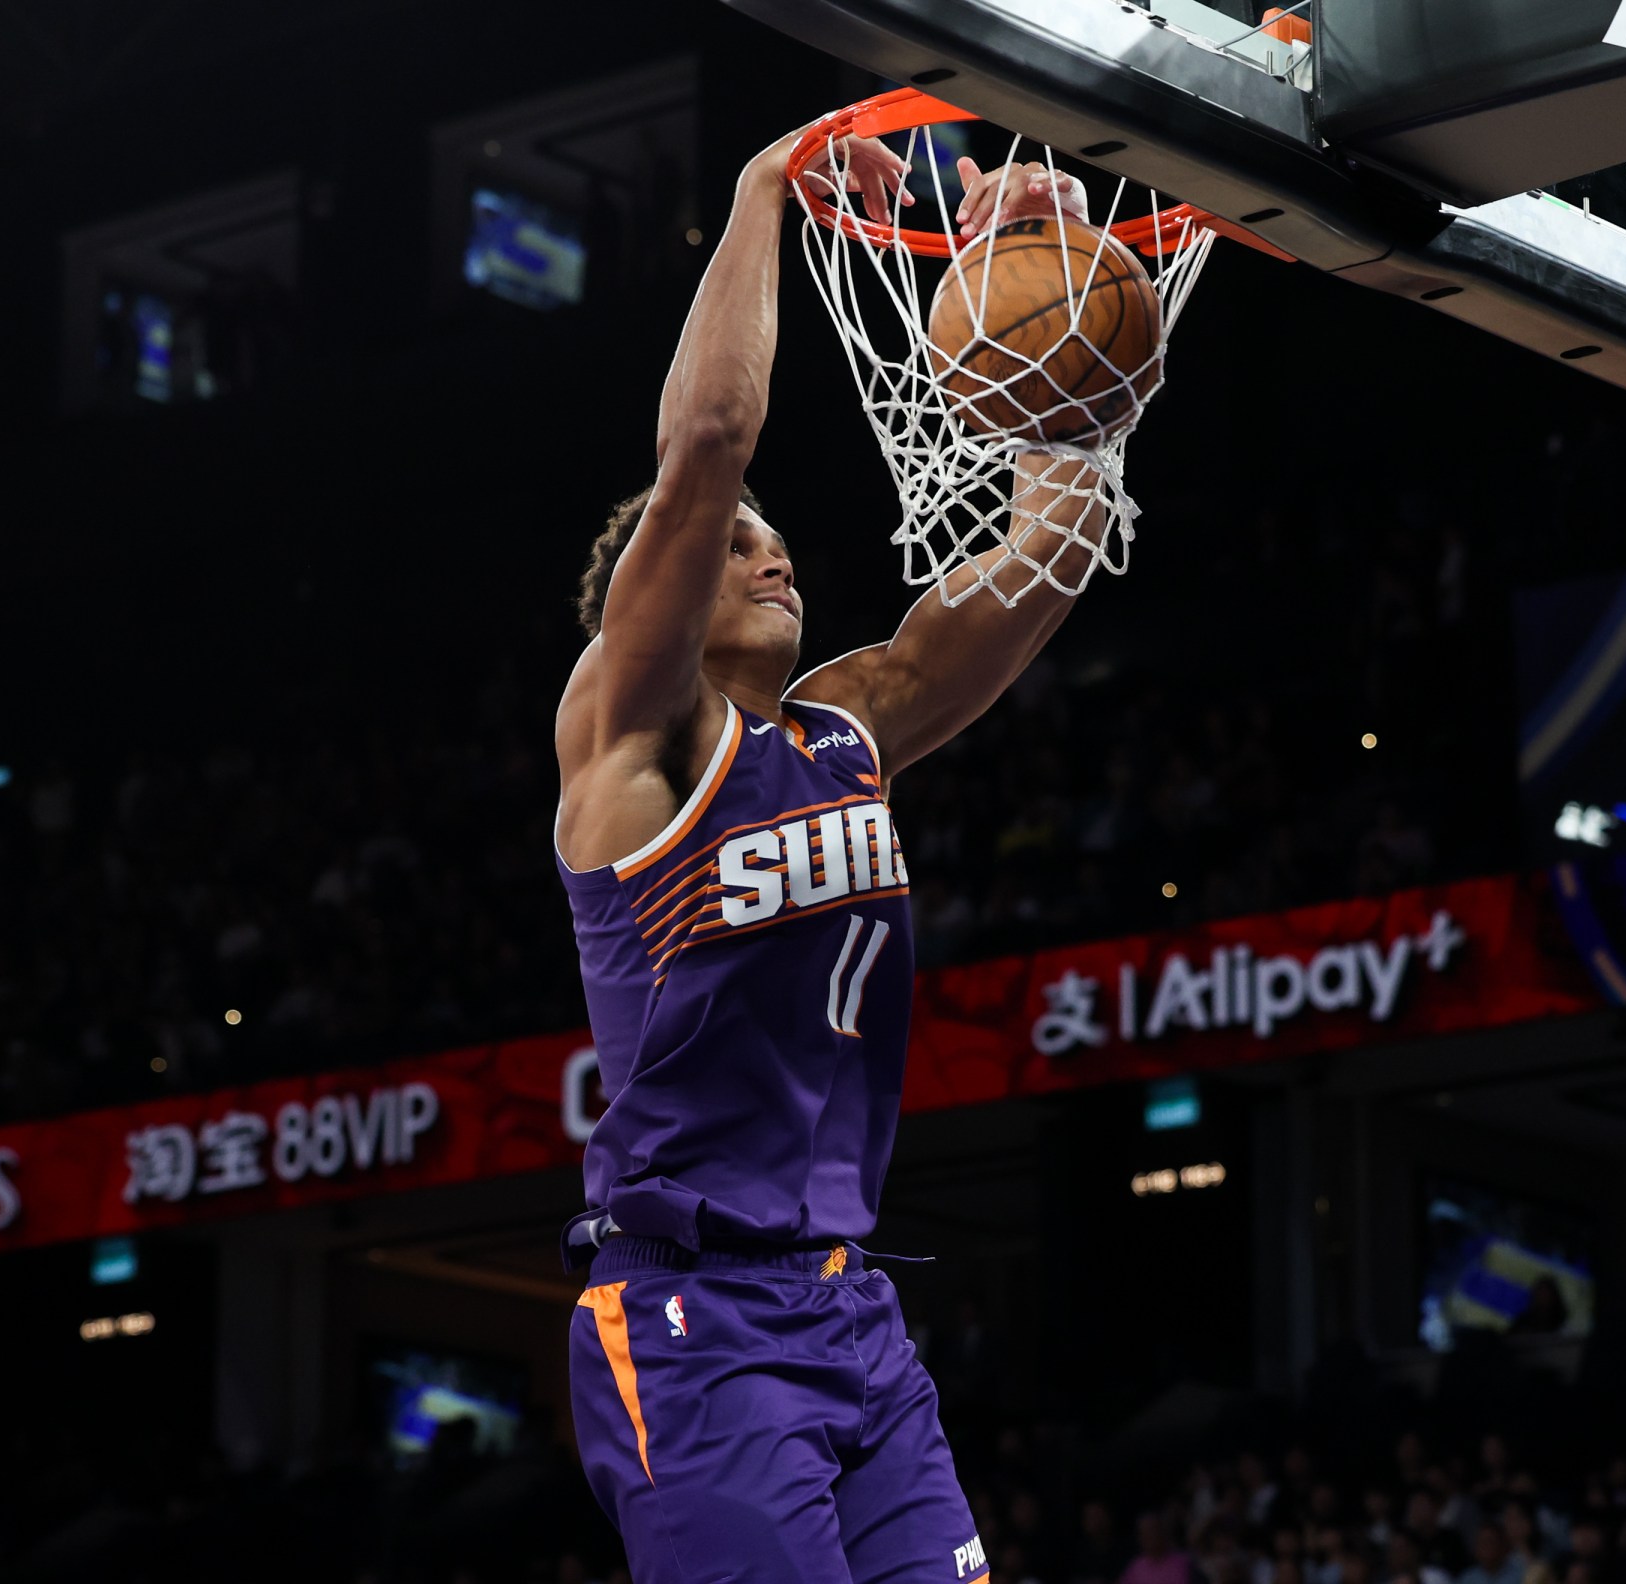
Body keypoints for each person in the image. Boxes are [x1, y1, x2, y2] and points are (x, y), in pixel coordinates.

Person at [552, 120, 1121, 1584]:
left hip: (850, 1314)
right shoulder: (634, 741)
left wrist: (1049, 290)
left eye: (777, 539)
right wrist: (761, 192)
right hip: (693, 1331)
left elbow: (1048, 556)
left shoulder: (848, 727)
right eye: (736, 545)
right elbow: (706, 446)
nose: (773, 552)